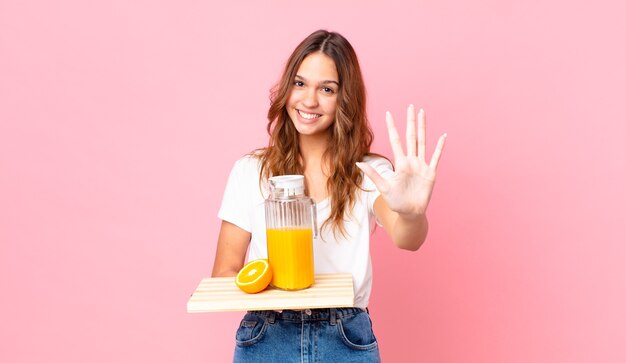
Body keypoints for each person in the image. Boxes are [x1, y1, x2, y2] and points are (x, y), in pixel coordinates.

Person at [211, 29, 446, 362]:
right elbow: (226, 272)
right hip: (268, 335)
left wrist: (410, 212)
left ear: (344, 98)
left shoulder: (370, 172)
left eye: (327, 89)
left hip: (345, 337)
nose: (309, 100)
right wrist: (274, 285)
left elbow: (408, 239)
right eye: (299, 83)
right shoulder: (251, 171)